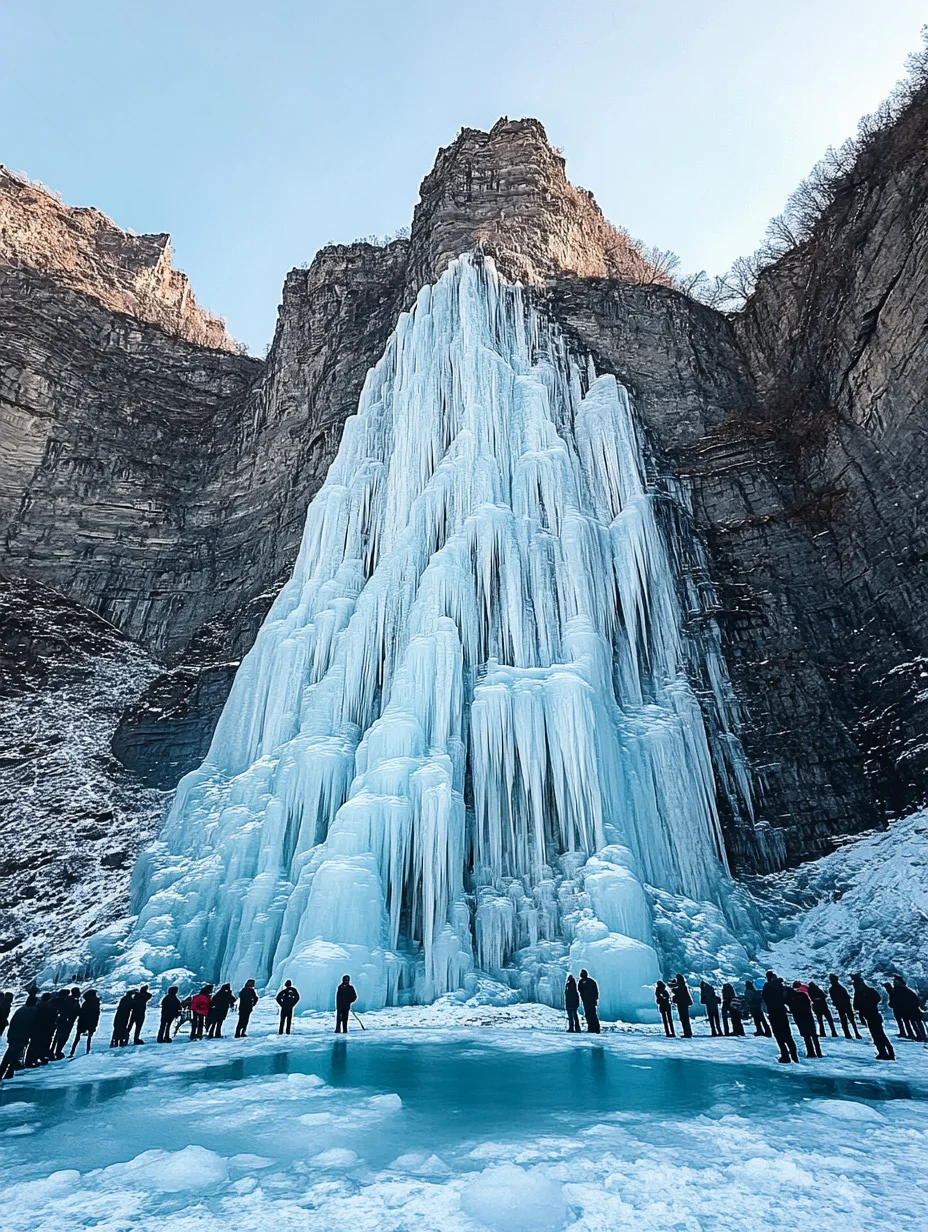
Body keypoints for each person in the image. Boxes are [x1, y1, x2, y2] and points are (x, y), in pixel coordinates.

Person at [852, 974, 895, 1060]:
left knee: (877, 1035)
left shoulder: (860, 993)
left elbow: (856, 1006)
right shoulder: (870, 991)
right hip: (874, 1015)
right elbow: (877, 998)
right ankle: (888, 1052)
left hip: (870, 1016)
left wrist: (864, 1004)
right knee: (880, 1034)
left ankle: (884, 1052)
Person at [762, 971, 798, 1063]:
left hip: (773, 1012)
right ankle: (794, 1057)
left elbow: (765, 998)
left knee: (778, 1035)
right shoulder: (781, 986)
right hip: (782, 1011)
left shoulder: (767, 987)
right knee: (787, 1035)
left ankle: (785, 1055)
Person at [0, 994, 36, 1080]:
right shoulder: (32, 1012)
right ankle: (8, 1071)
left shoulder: (21, 1010)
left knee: (10, 1053)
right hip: (20, 1036)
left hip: (14, 1035)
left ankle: (4, 1071)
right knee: (14, 1054)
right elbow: (31, 1026)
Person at [788, 982, 822, 1057]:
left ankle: (811, 1052)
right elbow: (809, 1004)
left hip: (800, 1019)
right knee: (814, 1035)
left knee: (806, 1036)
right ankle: (819, 1052)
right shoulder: (803, 995)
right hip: (808, 1016)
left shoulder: (791, 999)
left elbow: (792, 1010)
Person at [892, 975, 926, 1042]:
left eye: (896, 981)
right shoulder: (906, 990)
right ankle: (919, 1036)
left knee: (913, 1022)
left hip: (908, 1009)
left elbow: (896, 1000)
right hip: (909, 1009)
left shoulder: (899, 990)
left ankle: (919, 1036)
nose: (894, 983)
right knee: (912, 1022)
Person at [29, 992, 59, 1065]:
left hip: (36, 1028)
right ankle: (41, 1057)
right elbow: (53, 1019)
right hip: (46, 1030)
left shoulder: (37, 1006)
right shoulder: (51, 1008)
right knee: (44, 1044)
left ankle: (30, 1059)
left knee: (33, 1045)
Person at [52, 987, 82, 1059]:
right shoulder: (73, 1001)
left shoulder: (67, 999)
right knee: (63, 1036)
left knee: (57, 1036)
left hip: (62, 1020)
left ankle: (53, 1051)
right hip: (67, 1021)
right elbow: (75, 1011)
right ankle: (58, 1051)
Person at [829, 974, 861, 1039]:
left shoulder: (833, 989)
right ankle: (854, 1033)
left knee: (845, 1021)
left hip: (842, 1006)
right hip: (846, 1006)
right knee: (850, 1021)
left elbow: (834, 999)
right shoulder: (839, 988)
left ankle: (848, 1034)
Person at [69, 990, 101, 1057]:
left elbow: (82, 1012)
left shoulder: (87, 1003)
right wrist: (95, 1024)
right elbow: (96, 1015)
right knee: (89, 1038)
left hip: (83, 1022)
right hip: (91, 1022)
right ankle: (87, 1051)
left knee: (77, 1037)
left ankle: (72, 1052)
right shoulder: (96, 1003)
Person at [577, 969, 601, 1034]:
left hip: (588, 1001)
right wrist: (595, 999)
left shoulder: (582, 981)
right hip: (589, 1001)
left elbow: (580, 990)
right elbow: (596, 991)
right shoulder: (591, 981)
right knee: (592, 1014)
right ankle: (594, 1028)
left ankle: (593, 1028)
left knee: (590, 1014)